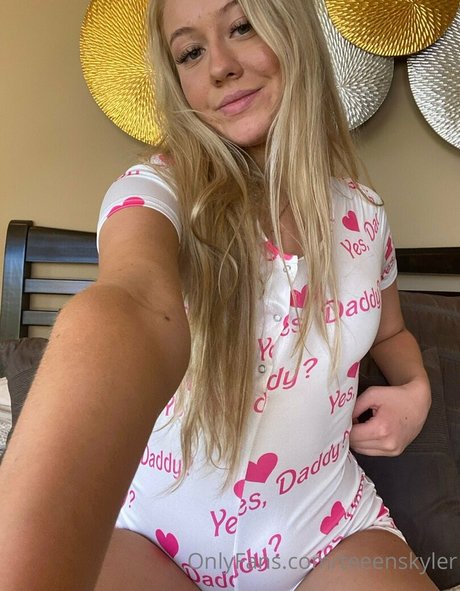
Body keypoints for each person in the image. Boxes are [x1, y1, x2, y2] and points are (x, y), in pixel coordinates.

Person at [0, 0, 438, 589]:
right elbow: (133, 303)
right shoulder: (154, 193)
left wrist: (415, 391)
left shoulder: (365, 214)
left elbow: (391, 331)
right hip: (152, 543)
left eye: (242, 26)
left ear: (293, 32)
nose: (219, 66)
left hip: (329, 533)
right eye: (190, 52)